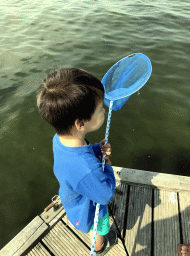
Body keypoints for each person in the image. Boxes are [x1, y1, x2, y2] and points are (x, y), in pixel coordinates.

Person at [36, 68, 117, 254]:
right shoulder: (86, 168)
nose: (104, 110)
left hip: (72, 200)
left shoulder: (59, 139)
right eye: (100, 110)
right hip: (88, 210)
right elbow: (105, 195)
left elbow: (80, 155)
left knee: (92, 226)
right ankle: (100, 246)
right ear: (80, 123)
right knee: (99, 228)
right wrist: (109, 168)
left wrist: (96, 149)